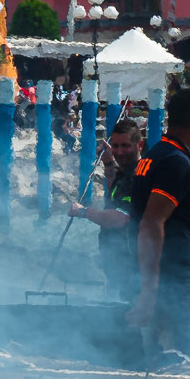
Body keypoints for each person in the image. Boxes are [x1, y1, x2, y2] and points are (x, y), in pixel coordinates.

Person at [124, 87, 190, 361]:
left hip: (164, 283)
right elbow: (150, 224)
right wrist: (149, 293)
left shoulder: (155, 156)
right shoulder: (175, 162)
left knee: (162, 367)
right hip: (177, 288)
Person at [67, 117, 146, 300]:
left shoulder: (139, 176)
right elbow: (114, 196)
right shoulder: (126, 171)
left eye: (125, 146)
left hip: (133, 263)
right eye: (116, 146)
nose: (120, 151)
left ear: (139, 145)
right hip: (116, 260)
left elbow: (120, 218)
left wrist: (83, 212)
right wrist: (109, 162)